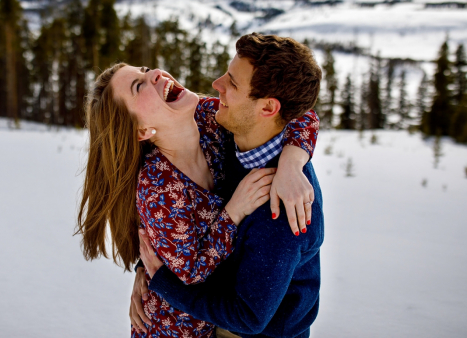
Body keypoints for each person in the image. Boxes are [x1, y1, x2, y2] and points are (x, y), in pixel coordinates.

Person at [77, 35, 320, 338]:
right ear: (142, 130)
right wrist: (233, 212)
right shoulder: (159, 188)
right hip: (178, 327)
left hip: (228, 322)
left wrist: (291, 162)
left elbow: (295, 108)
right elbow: (189, 273)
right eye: (139, 86)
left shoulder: (208, 120)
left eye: (143, 69)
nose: (154, 73)